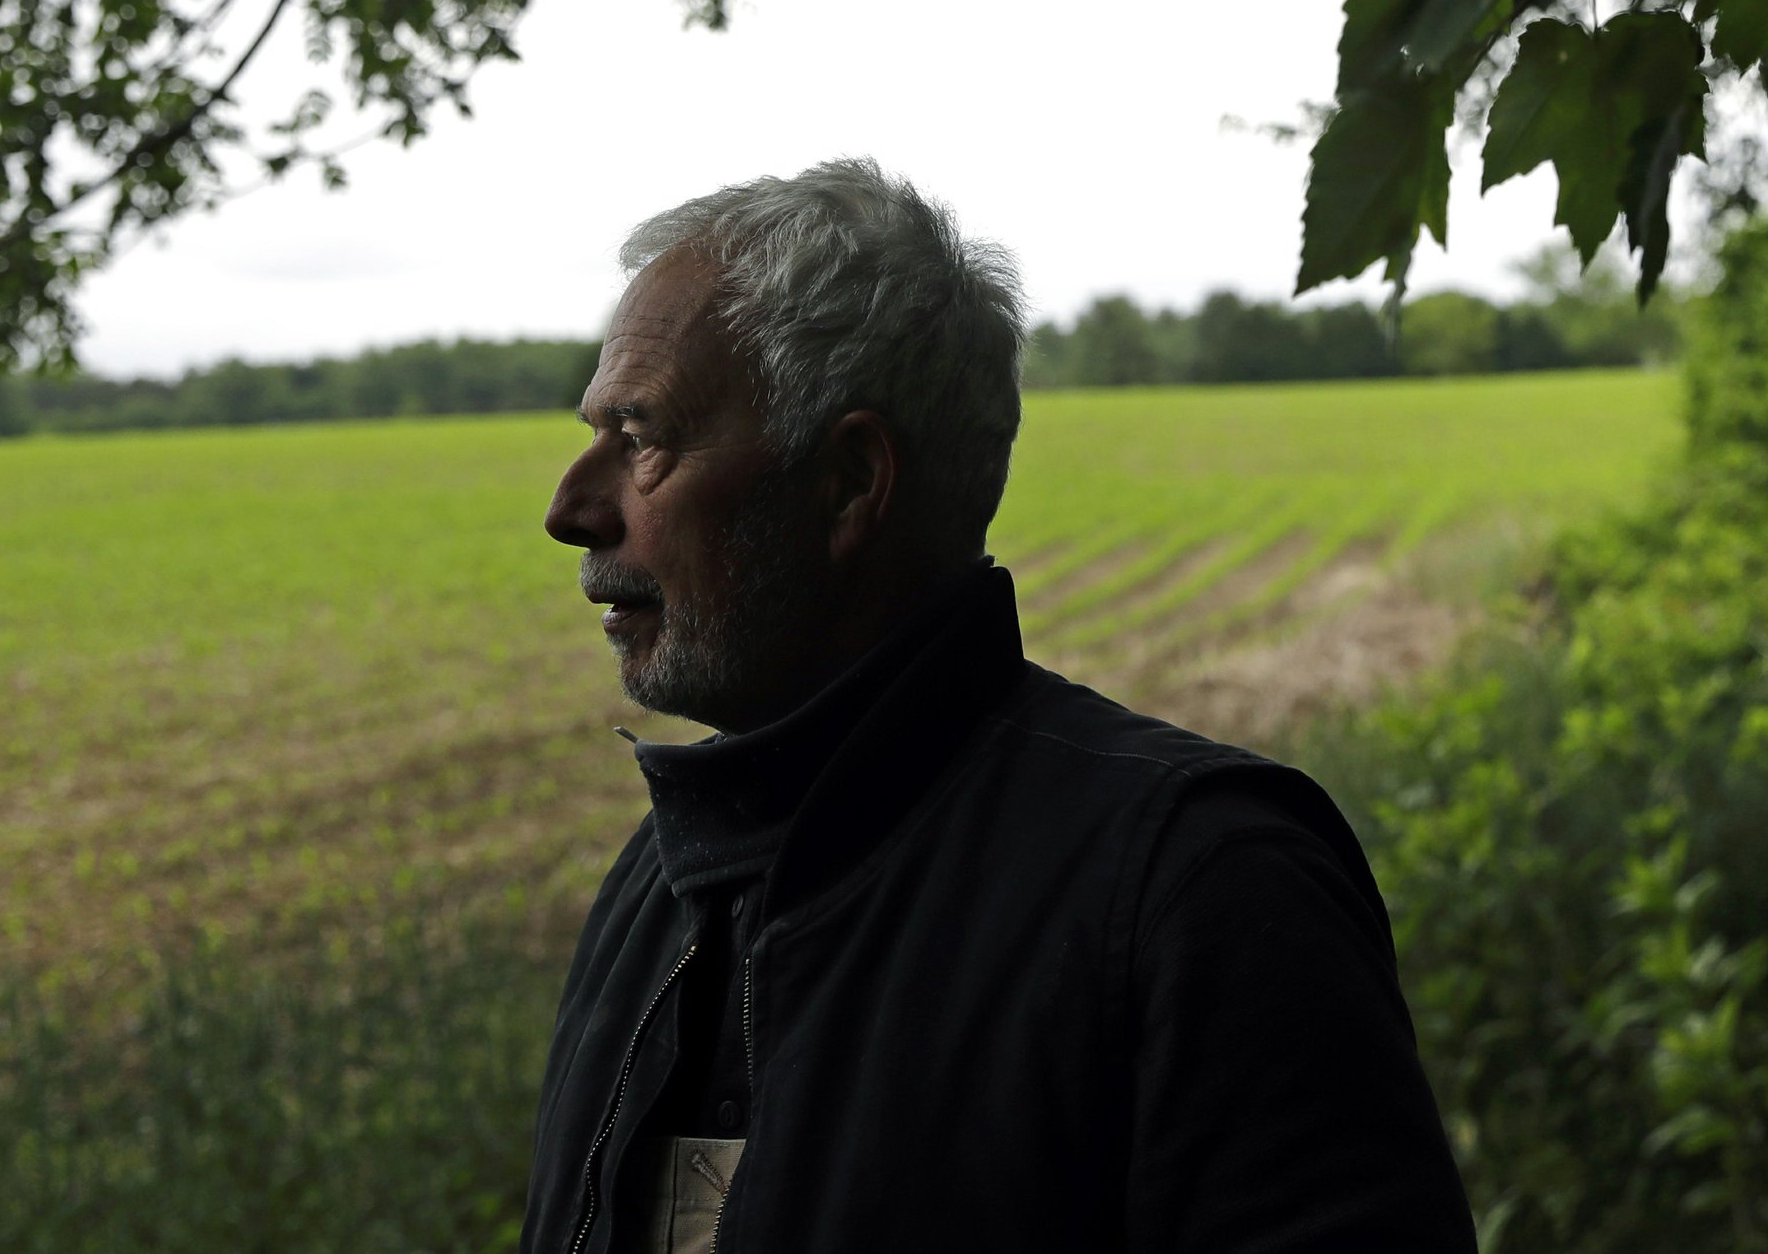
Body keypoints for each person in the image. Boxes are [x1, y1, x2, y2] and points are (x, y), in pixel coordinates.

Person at [518, 162, 1475, 1254]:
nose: (571, 509)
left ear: (847, 481)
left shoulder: (1199, 887)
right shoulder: (659, 881)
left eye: (638, 438)